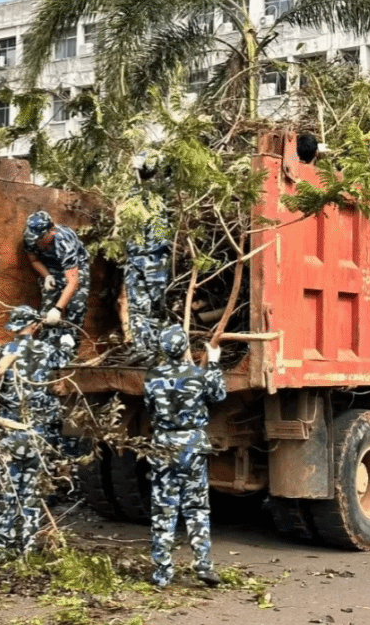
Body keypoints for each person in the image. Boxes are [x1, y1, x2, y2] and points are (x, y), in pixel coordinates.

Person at [144, 325, 226, 588]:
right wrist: (213, 362)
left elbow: (150, 408)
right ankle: (203, 565)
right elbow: (219, 394)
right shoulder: (199, 375)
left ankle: (162, 572)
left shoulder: (152, 377)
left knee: (163, 509)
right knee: (197, 507)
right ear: (185, 348)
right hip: (193, 446)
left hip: (163, 446)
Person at [0, 305, 57, 555]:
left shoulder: (3, 352)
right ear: (34, 325)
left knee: (7, 490)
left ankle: (3, 546)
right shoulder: (47, 351)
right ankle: (29, 545)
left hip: (9, 430)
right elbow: (61, 379)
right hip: (37, 430)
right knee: (32, 492)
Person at [23, 210, 90, 365]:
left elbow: (72, 282)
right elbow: (34, 260)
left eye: (41, 238)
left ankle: (69, 354)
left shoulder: (64, 241)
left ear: (51, 230)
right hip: (51, 267)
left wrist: (58, 309)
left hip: (76, 268)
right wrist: (47, 275)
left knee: (76, 306)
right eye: (35, 238)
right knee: (47, 311)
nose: (37, 242)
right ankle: (46, 351)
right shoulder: (30, 237)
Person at [122, 159, 171, 364]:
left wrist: (148, 162)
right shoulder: (133, 192)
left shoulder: (160, 190)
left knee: (155, 306)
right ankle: (142, 348)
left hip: (154, 258)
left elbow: (170, 172)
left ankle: (156, 351)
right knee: (137, 305)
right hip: (135, 258)